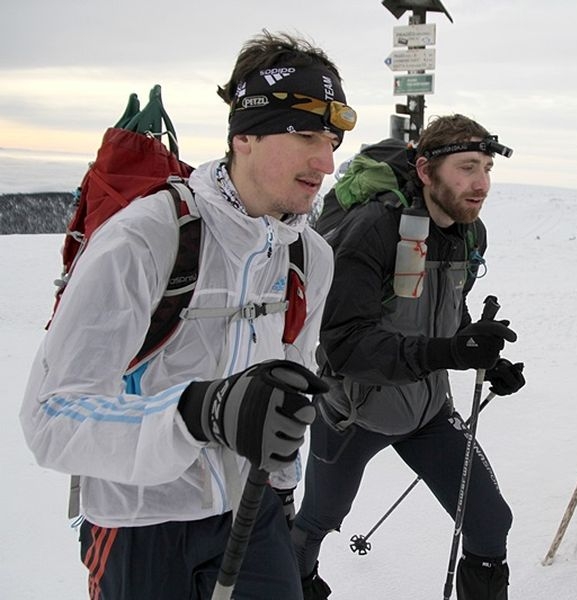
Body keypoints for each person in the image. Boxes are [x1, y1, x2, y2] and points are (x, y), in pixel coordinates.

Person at [19, 30, 355, 599]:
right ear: (244, 135)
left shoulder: (308, 256)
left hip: (251, 515)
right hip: (137, 522)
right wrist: (195, 413)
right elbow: (50, 418)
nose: (324, 160)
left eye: (330, 140)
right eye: (303, 135)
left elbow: (287, 382)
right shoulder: (146, 237)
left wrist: (282, 492)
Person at [294, 114, 526, 600]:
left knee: (489, 521)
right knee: (318, 521)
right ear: (425, 170)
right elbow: (346, 344)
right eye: (466, 167)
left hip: (427, 412)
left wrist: (483, 357)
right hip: (352, 414)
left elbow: (442, 314)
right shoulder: (373, 230)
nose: (480, 183)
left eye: (486, 167)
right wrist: (448, 351)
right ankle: (295, 588)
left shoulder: (468, 233)